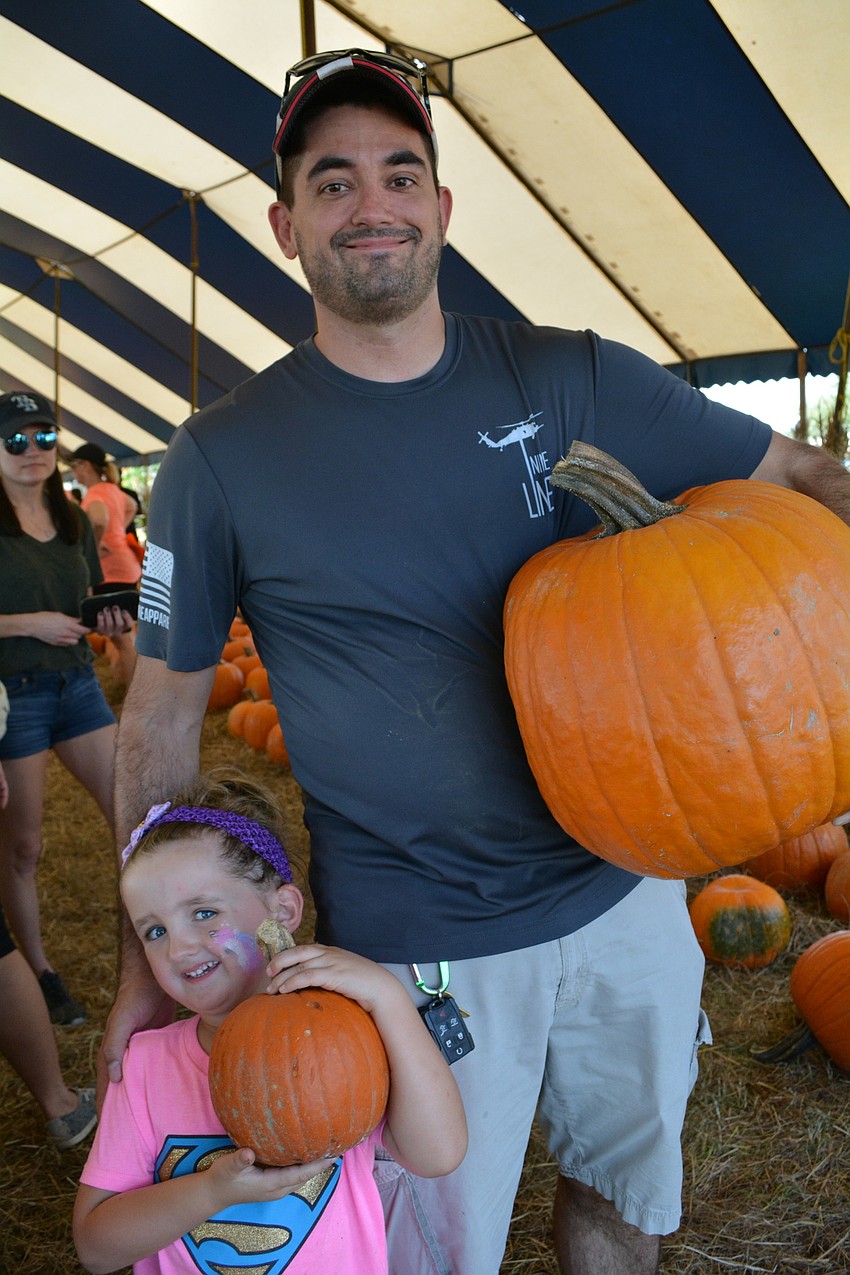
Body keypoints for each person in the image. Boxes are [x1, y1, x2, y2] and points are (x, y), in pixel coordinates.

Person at [102, 50, 850, 1275]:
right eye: (333, 182)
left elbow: (803, 484)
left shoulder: (574, 376)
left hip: (625, 902)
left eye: (402, 173)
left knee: (625, 1196)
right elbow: (163, 713)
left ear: (443, 208)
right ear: (287, 226)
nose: (373, 203)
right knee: (436, 1246)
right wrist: (150, 952)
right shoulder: (220, 459)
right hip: (415, 947)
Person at [74, 768, 466, 1274]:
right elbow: (96, 1247)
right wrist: (211, 1191)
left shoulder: (343, 1037)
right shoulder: (145, 1067)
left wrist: (389, 1000)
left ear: (282, 910)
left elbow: (437, 1155)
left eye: (203, 913)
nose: (178, 947)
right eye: (153, 930)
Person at [0, 390, 132, 1029]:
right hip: (13, 695)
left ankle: (148, 938)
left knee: (131, 811)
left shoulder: (77, 521)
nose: (33, 452)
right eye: (17, 440)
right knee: (23, 846)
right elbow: (35, 619)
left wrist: (104, 613)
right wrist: (30, 623)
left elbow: (82, 602)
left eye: (44, 438)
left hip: (77, 685)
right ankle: (40, 971)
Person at [69, 442, 141, 684]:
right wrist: (117, 531)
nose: (74, 472)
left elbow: (99, 521)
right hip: (126, 567)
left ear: (85, 466)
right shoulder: (111, 489)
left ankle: (132, 692)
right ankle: (128, 685)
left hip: (110, 570)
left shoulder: (96, 493)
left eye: (75, 466)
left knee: (122, 638)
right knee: (125, 636)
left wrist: (93, 546)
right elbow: (132, 506)